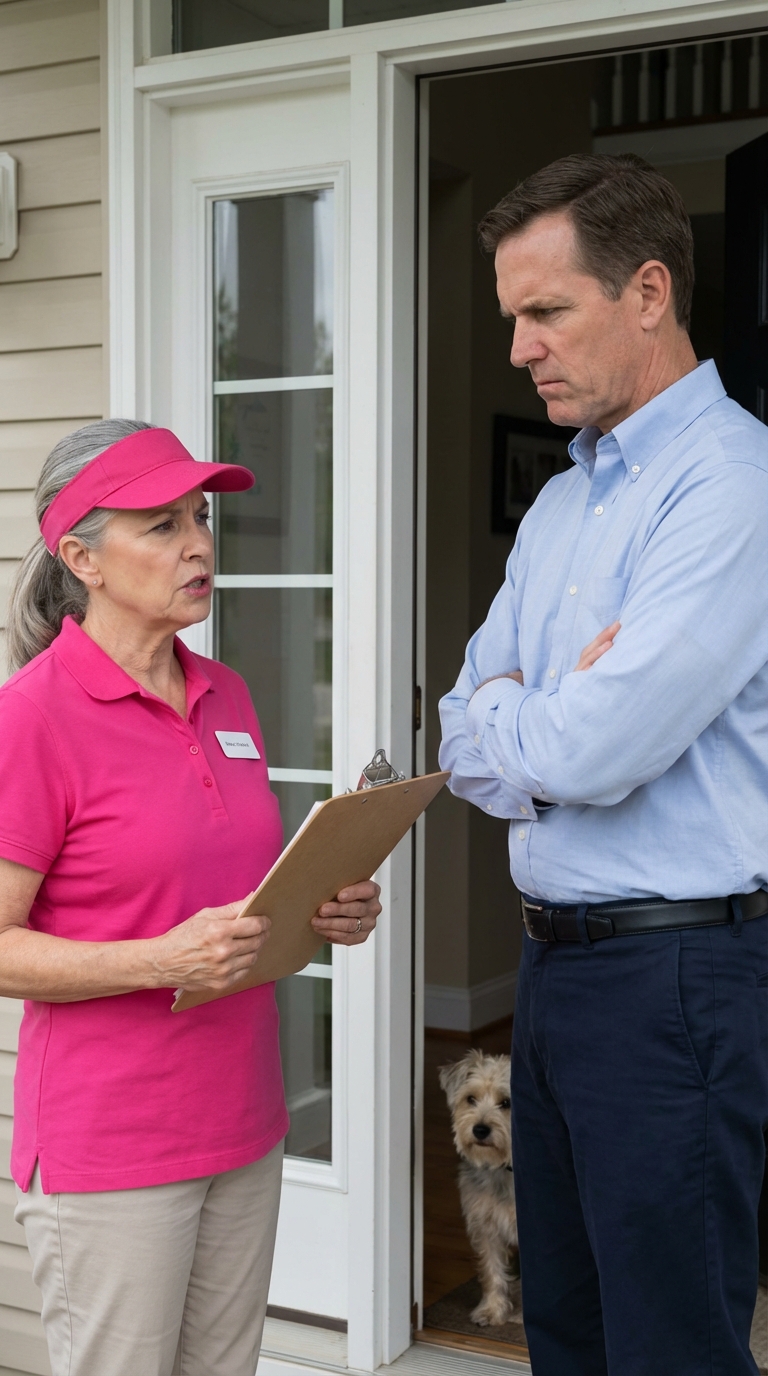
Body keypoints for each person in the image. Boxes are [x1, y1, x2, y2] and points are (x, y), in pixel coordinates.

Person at [438, 154, 768, 1376]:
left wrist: (532, 713)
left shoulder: (729, 485)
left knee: (670, 1339)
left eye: (545, 310)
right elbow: (457, 723)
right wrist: (538, 713)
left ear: (646, 291)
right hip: (554, 972)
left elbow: (600, 745)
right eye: (511, 316)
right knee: (566, 1330)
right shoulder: (564, 505)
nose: (521, 346)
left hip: (677, 977)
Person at [0, 419, 381, 1376]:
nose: (200, 545)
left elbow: (228, 887)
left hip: (243, 1122)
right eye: (162, 525)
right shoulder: (32, 719)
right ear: (79, 555)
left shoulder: (227, 693)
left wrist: (324, 908)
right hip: (113, 1147)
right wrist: (158, 960)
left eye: (200, 518)